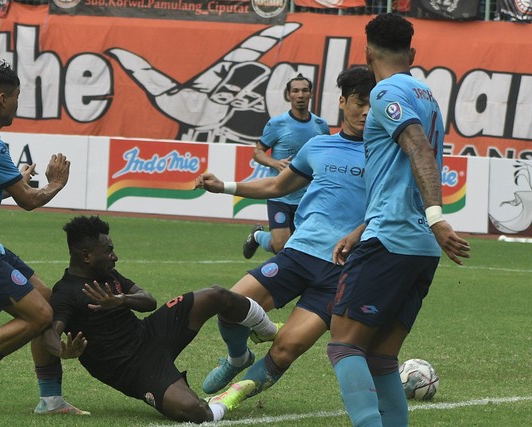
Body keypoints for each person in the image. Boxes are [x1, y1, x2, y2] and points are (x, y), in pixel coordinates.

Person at [194, 67, 375, 405]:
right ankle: (237, 358)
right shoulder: (319, 146)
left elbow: (391, 208)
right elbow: (277, 185)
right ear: (343, 102)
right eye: (358, 103)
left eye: (371, 105)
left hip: (343, 270)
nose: (365, 111)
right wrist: (225, 187)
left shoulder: (386, 154)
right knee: (229, 305)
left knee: (286, 348)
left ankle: (226, 401)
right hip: (298, 254)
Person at [327, 14, 471, 427]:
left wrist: (438, 217)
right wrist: (361, 229)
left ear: (367, 51)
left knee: (344, 346)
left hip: (393, 238)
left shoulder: (386, 91)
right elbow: (398, 171)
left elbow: (418, 149)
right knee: (381, 357)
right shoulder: (425, 93)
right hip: (418, 246)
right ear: (412, 53)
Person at [0, 60, 87, 415]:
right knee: (39, 315)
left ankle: (51, 400)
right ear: (3, 98)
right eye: (18, 97)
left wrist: (15, 178)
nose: (18, 105)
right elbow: (28, 201)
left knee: (45, 298)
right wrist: (56, 183)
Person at [47, 215, 281, 423]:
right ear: (86, 256)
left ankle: (267, 331)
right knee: (194, 411)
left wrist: (121, 300)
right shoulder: (66, 293)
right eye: (108, 250)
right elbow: (49, 333)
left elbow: (149, 300)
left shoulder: (109, 275)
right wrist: (62, 351)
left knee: (215, 294)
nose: (114, 256)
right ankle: (229, 397)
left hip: (149, 333)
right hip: (132, 368)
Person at [242, 74, 330, 259]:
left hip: (308, 198)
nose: (300, 95)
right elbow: (257, 152)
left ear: (311, 94)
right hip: (280, 195)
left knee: (303, 246)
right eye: (295, 91)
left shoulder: (321, 126)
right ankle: (257, 236)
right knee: (281, 245)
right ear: (288, 95)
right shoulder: (277, 124)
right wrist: (274, 162)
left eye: (304, 90)